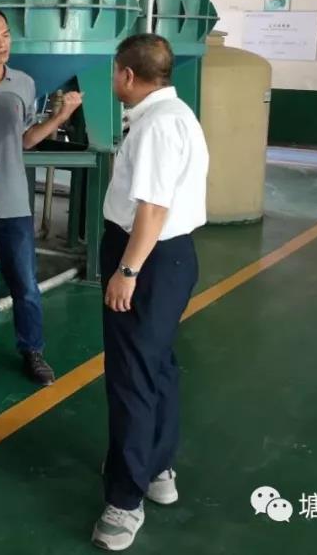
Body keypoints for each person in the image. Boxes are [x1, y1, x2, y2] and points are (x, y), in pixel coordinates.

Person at [91, 34, 210, 551]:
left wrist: (127, 270)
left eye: (114, 72)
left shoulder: (157, 126)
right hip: (168, 256)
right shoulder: (175, 114)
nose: (113, 80)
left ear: (127, 75)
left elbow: (153, 209)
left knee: (132, 378)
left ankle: (125, 502)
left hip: (147, 258)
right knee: (156, 365)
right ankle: (157, 467)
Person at [0, 8, 82, 387]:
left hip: (13, 203)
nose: (1, 44)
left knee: (25, 286)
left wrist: (61, 116)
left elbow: (25, 140)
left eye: (5, 35)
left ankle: (33, 351)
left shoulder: (24, 84)